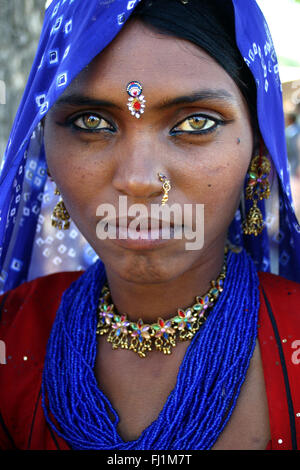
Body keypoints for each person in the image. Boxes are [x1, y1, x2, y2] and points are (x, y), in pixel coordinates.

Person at [0, 0, 299, 451]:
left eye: (196, 122)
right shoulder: (12, 333)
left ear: (258, 148)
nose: (139, 181)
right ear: (46, 152)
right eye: (92, 122)